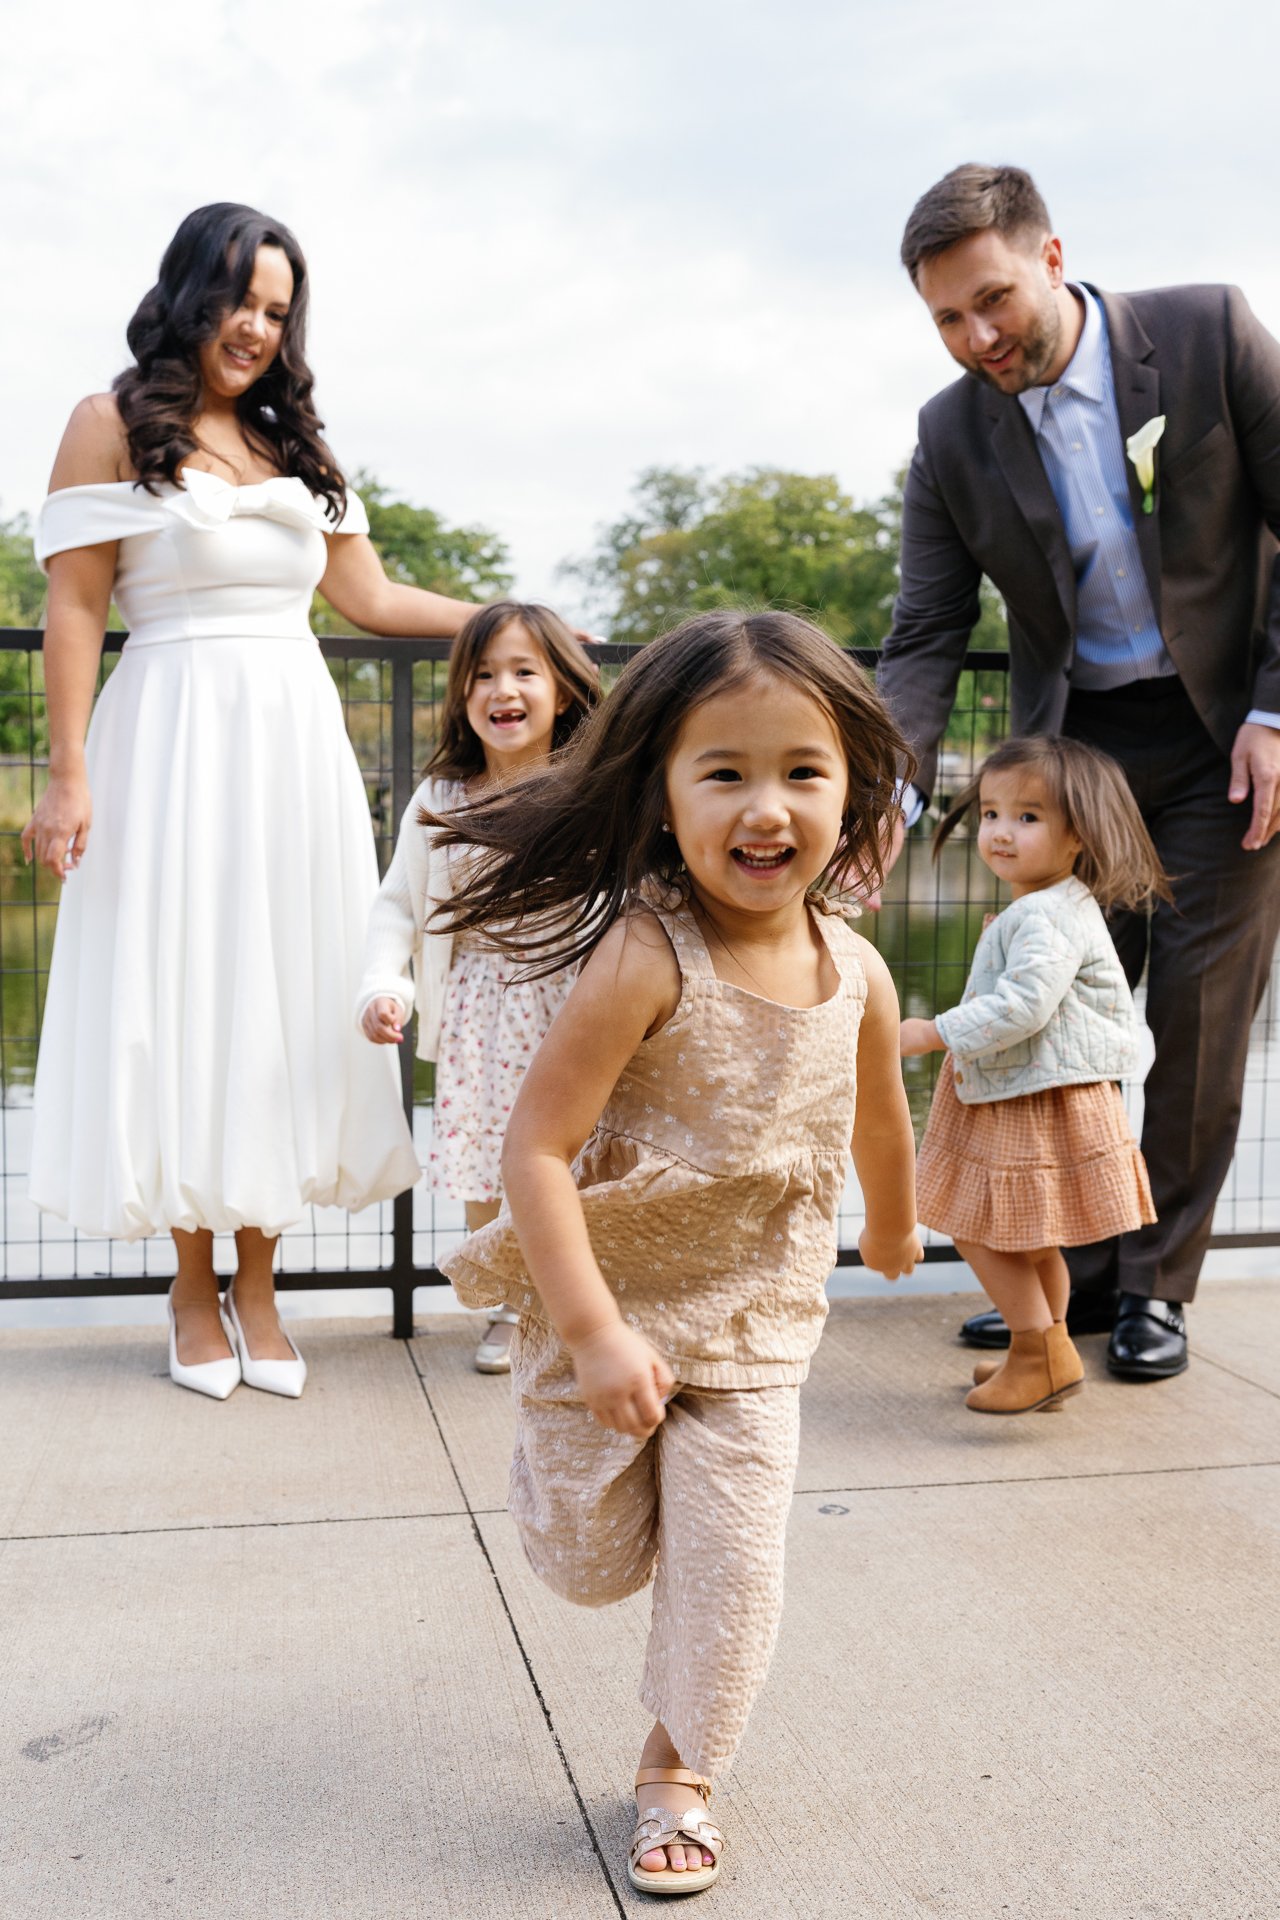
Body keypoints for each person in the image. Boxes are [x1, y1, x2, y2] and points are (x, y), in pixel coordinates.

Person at [431, 608, 921, 1894]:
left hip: (759, 1313)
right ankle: (593, 1469)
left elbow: (877, 1113)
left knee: (734, 1566)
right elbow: (534, 1152)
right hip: (620, 1295)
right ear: (658, 791)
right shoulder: (647, 954)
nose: (766, 808)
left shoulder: (857, 970)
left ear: (852, 793)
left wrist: (892, 1217)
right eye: (724, 772)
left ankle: (676, 1768)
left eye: (801, 773)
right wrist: (591, 1333)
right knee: (586, 1561)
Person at [22, 202, 492, 1401]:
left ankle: (264, 1287)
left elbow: (372, 600)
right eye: (241, 300)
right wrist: (65, 770)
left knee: (284, 999)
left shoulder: (298, 445)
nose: (257, 328)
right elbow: (77, 607)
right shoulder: (106, 422)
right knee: (180, 993)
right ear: (190, 292)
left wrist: (510, 625)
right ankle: (191, 1288)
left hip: (290, 750)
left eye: (278, 312)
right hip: (167, 739)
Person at [878, 163, 1280, 1382]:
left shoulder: (1207, 331)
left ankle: (1156, 1285)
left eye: (991, 301)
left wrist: (1275, 707)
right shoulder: (950, 430)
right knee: (1061, 1026)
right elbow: (923, 634)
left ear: (1050, 256)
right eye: (946, 318)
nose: (975, 338)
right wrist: (887, 796)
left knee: (1195, 1023)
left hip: (1228, 744)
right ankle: (1074, 1287)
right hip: (1077, 763)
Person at [356, 600, 598, 1372]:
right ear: (463, 696)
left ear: (562, 689)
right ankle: (507, 1304)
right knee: (487, 1159)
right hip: (479, 1009)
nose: (505, 690)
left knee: (581, 1154)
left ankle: (580, 1298)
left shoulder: (591, 790)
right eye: (485, 675)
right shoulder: (442, 799)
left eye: (526, 671)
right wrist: (382, 986)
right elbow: (397, 903)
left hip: (576, 1004)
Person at [901, 736, 1168, 1412]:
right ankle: (1047, 1351)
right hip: (1037, 1087)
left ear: (1077, 835)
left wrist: (933, 1032)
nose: (1000, 832)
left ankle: (1035, 1347)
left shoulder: (1045, 916)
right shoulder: (1056, 903)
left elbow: (1024, 1005)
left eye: (1027, 817)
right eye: (990, 813)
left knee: (973, 1223)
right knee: (1031, 1233)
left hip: (1031, 1095)